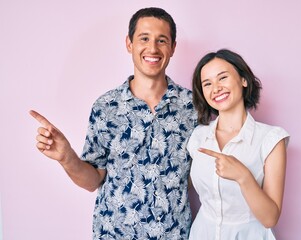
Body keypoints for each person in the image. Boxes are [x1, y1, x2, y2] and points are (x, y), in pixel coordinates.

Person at [30, 7, 197, 239]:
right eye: (144, 38)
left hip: (174, 234)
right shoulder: (106, 107)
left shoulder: (193, 107)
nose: (152, 48)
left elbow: (202, 175)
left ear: (173, 48)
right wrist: (66, 157)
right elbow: (93, 181)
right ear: (129, 43)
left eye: (162, 40)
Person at [187, 49, 290, 239]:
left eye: (222, 78)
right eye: (207, 83)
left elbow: (270, 218)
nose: (216, 88)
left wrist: (243, 177)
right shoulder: (198, 137)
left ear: (243, 80)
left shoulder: (270, 139)